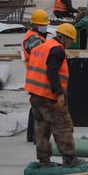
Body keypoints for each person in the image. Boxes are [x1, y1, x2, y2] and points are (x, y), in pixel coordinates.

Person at [25, 23, 88, 168]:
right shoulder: (58, 50)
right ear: (64, 37)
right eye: (71, 40)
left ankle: (44, 161)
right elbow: (52, 71)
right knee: (62, 126)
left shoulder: (43, 47)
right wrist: (59, 93)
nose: (71, 43)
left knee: (42, 129)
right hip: (49, 97)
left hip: (36, 95)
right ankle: (69, 159)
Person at [23, 9, 50, 143]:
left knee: (36, 107)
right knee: (38, 108)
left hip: (36, 77)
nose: (45, 27)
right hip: (36, 78)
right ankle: (35, 136)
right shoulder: (33, 39)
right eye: (43, 25)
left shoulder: (37, 37)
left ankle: (33, 135)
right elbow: (43, 54)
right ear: (35, 25)